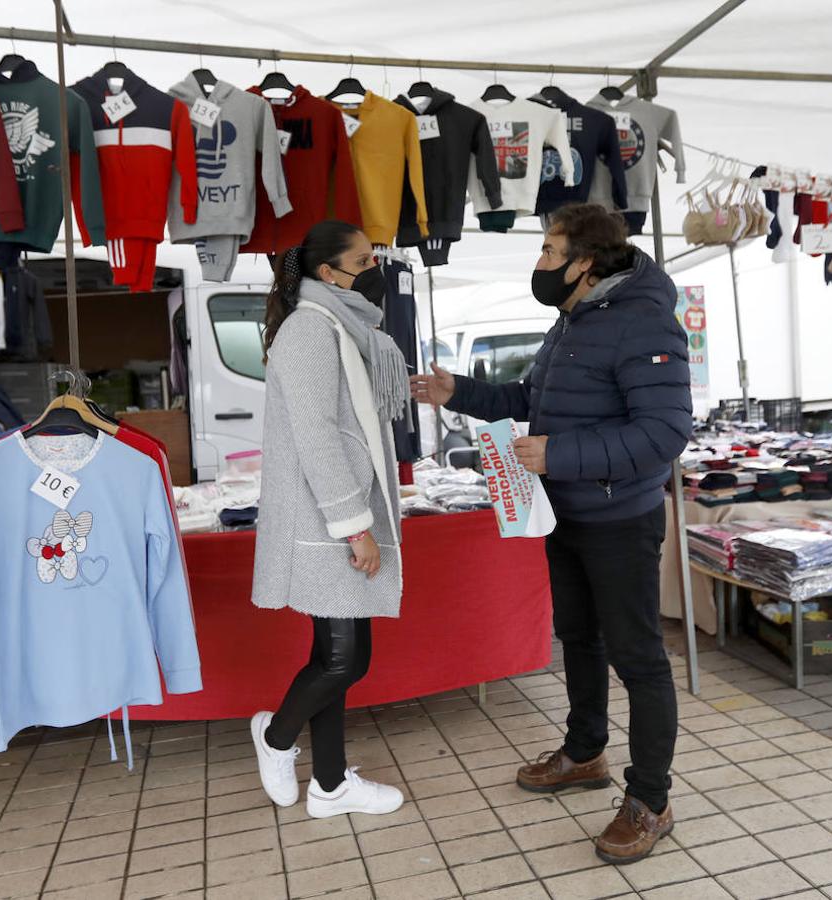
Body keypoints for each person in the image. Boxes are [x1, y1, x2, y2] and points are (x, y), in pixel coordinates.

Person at [411, 203, 692, 864]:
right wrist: (459, 391)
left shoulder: (645, 322)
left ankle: (650, 799)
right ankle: (584, 751)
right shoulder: (572, 319)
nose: (537, 263)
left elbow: (663, 433)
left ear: (584, 263)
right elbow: (529, 400)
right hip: (562, 513)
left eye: (545, 251)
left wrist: (559, 455)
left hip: (619, 519)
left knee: (639, 660)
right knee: (578, 639)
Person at [248, 219, 410, 819]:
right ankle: (275, 736)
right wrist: (356, 526)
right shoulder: (311, 331)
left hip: (334, 518)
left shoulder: (339, 326)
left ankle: (331, 783)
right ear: (328, 273)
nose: (377, 270)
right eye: (365, 261)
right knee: (345, 660)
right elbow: (318, 436)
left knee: (335, 657)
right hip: (327, 522)